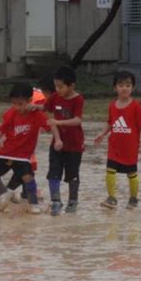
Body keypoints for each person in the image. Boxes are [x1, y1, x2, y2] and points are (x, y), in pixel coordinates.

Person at [0, 83, 62, 214]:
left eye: (20, 104)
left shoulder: (36, 114)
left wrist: (58, 139)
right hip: (6, 152)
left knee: (28, 177)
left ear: (29, 101)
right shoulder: (11, 113)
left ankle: (34, 204)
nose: (17, 107)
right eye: (14, 104)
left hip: (23, 155)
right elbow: (2, 128)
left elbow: (51, 124)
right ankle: (4, 193)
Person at [31, 66, 85, 216]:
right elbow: (45, 107)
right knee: (53, 173)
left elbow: (77, 120)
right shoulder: (55, 97)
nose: (57, 89)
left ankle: (73, 202)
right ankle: (56, 201)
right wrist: (34, 107)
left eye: (60, 86)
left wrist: (59, 123)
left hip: (74, 145)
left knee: (72, 175)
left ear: (71, 86)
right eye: (56, 86)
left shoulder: (78, 99)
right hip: (57, 143)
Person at [94, 70, 141, 209]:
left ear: (133, 87)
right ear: (115, 88)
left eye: (127, 85)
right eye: (120, 85)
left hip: (130, 148)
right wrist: (102, 134)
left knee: (131, 173)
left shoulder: (136, 106)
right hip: (114, 147)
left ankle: (133, 198)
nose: (124, 88)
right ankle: (112, 198)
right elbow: (110, 122)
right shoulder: (112, 105)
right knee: (110, 170)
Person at [13, 73, 56, 203]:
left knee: (26, 158)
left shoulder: (40, 95)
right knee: (27, 158)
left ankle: (25, 191)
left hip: (22, 127)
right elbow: (48, 121)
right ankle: (27, 191)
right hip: (23, 127)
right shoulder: (42, 99)